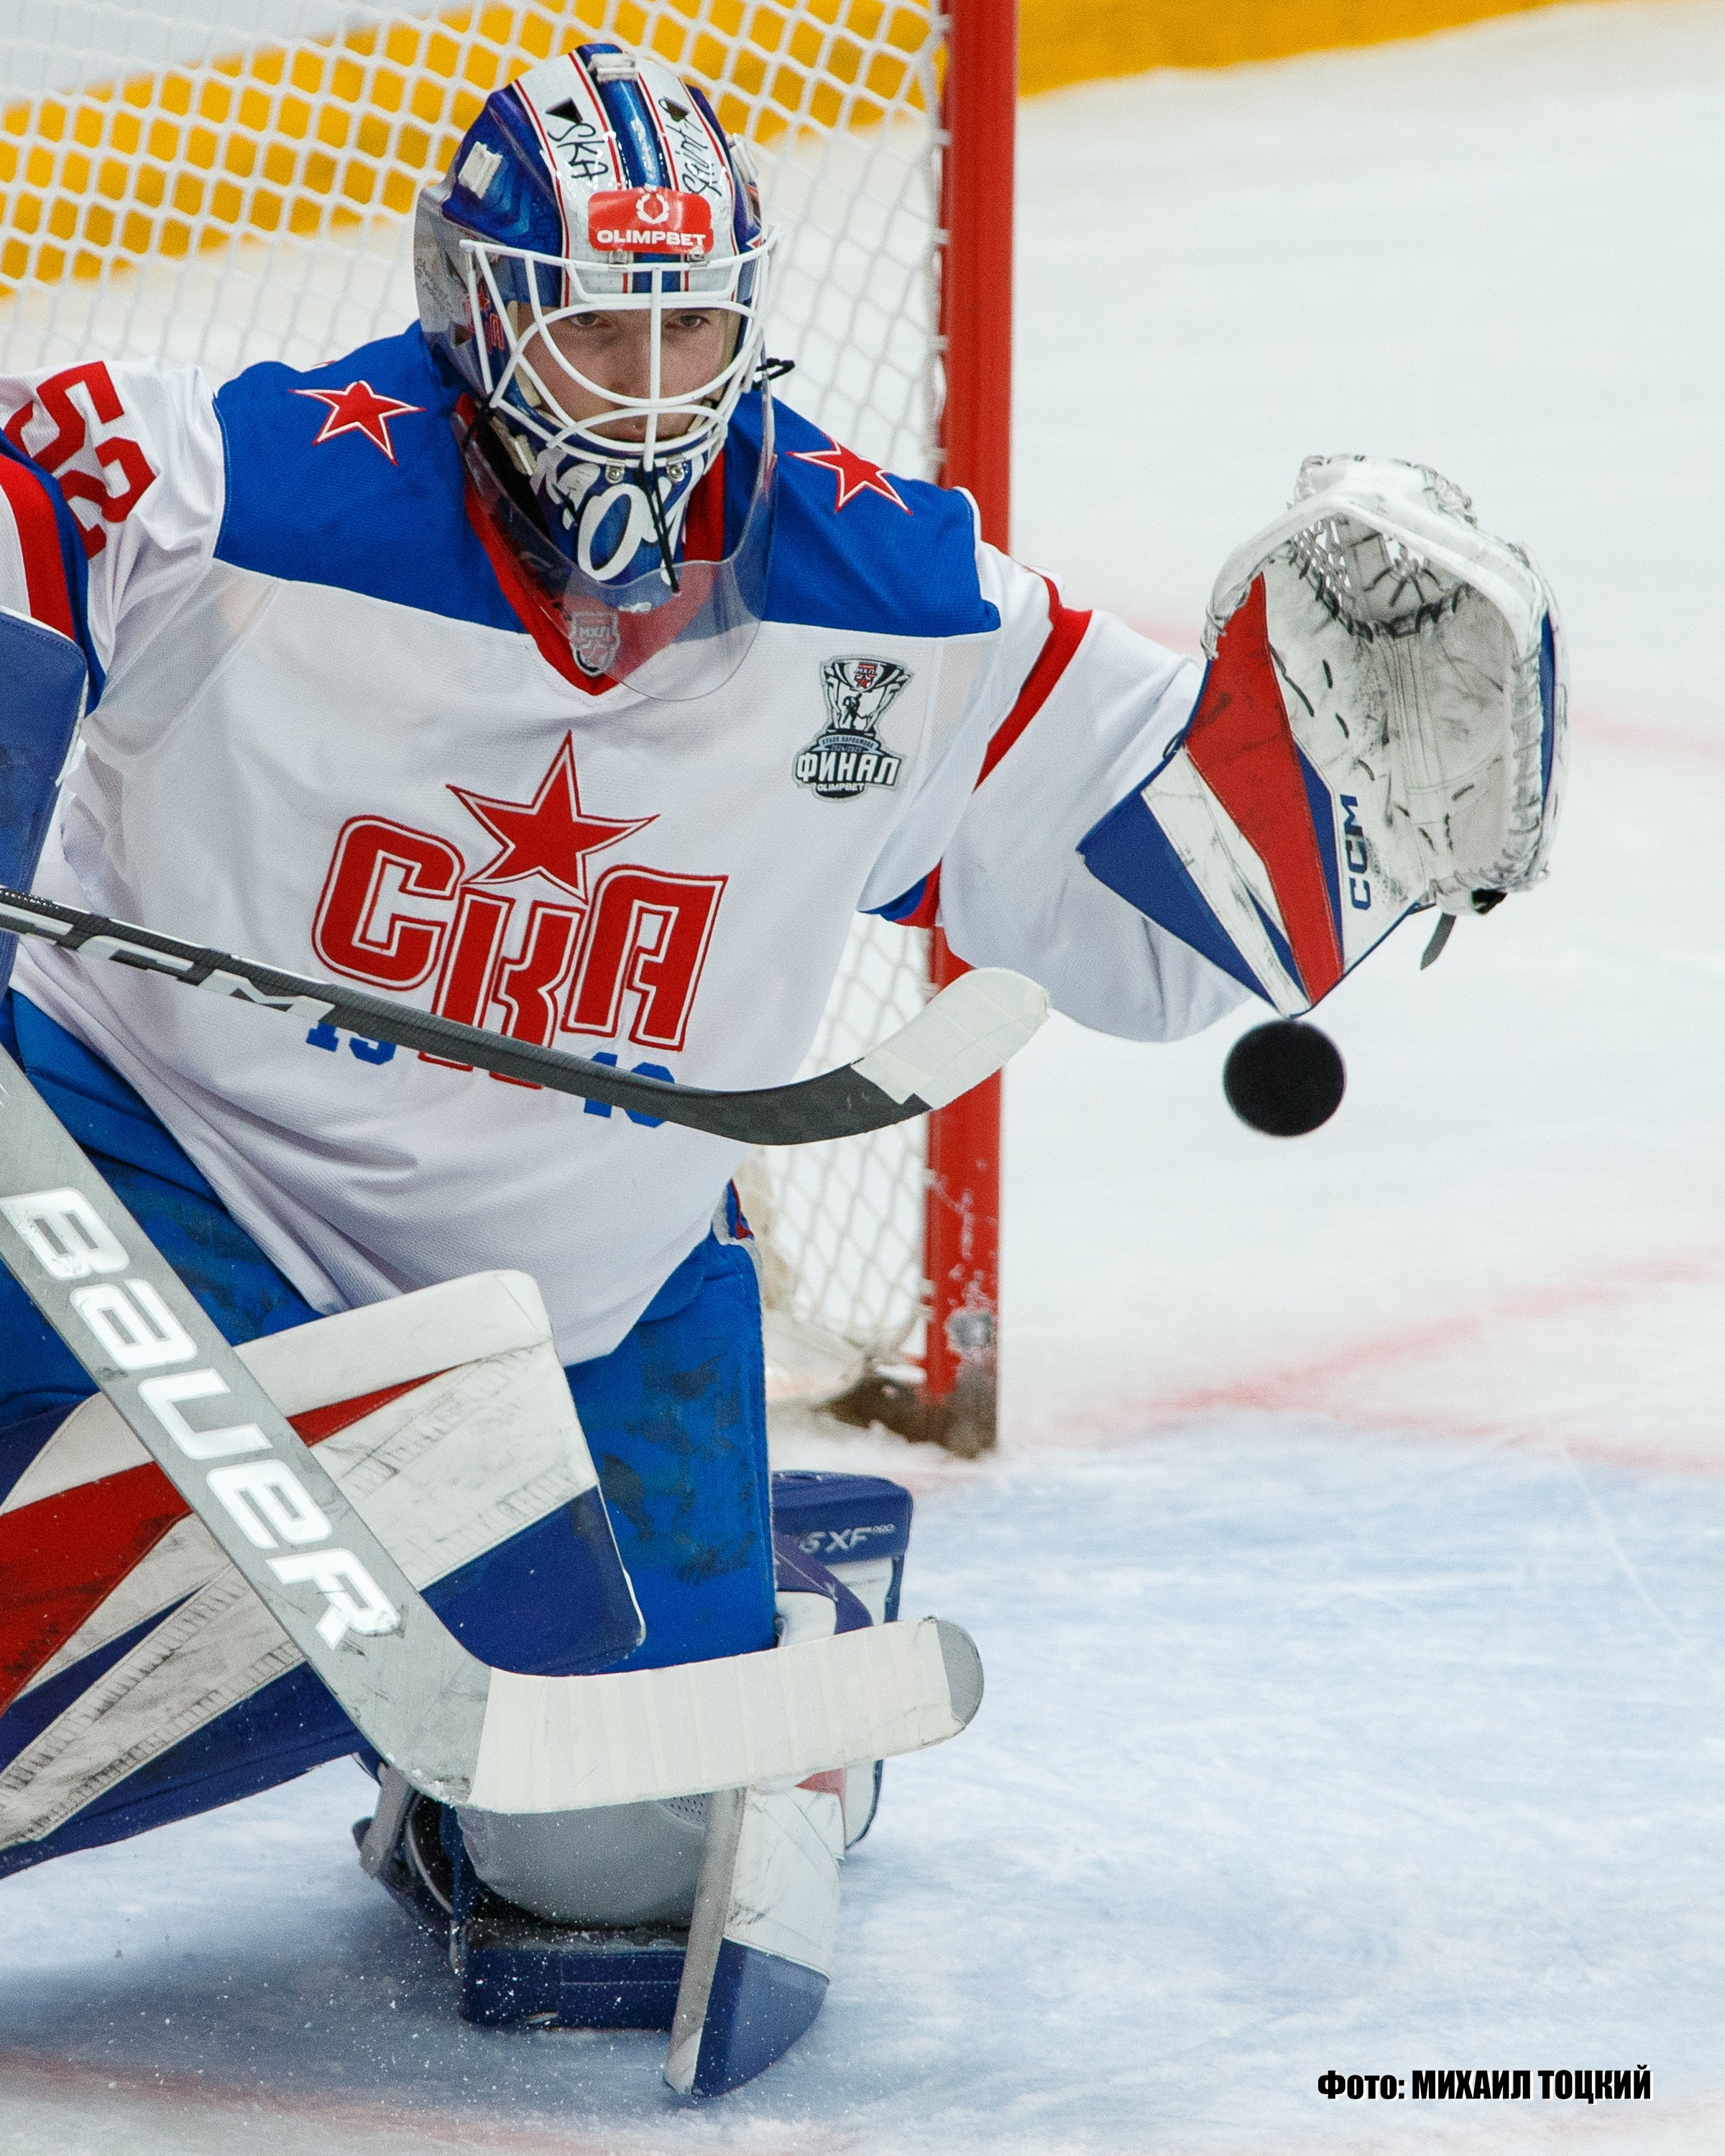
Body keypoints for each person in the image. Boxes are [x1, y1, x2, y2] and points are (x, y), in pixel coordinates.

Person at [0, 38, 1564, 2092]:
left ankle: (738, 1608)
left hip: (590, 1294)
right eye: (594, 330)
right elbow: (31, 493)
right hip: (155, 1184)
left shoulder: (882, 594)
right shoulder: (245, 489)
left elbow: (1169, 889)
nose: (649, 390)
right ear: (475, 318)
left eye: (693, 325)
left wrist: (1348, 818)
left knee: (610, 1870)